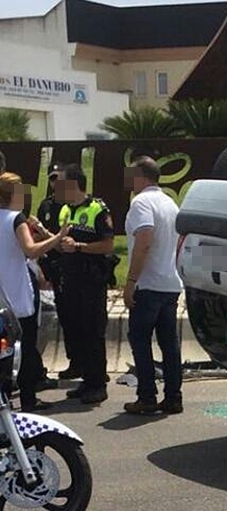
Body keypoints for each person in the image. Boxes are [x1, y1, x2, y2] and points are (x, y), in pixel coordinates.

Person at [0, 172, 69, 411]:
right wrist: (57, 238)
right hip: (18, 296)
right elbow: (30, 250)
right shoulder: (16, 219)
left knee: (4, 353)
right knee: (26, 349)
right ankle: (28, 400)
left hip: (2, 298)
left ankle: (5, 400)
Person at [123, 156, 183, 415]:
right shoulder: (170, 203)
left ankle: (146, 396)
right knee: (169, 344)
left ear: (140, 176)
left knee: (140, 339)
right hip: (170, 282)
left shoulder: (141, 203)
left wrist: (131, 281)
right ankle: (173, 397)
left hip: (148, 284)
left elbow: (144, 240)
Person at [54, 164, 114, 404]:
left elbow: (108, 246)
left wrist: (79, 247)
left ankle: (98, 384)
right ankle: (87, 381)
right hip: (70, 279)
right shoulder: (65, 210)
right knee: (77, 331)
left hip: (92, 280)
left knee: (93, 332)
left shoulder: (97, 209)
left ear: (74, 184)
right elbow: (61, 242)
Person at [37, 162, 80, 379]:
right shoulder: (45, 205)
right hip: (52, 266)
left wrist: (47, 235)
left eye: (59, 179)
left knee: (77, 317)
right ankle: (74, 361)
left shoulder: (75, 205)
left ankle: (84, 363)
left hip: (73, 266)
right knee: (63, 316)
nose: (55, 183)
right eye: (52, 179)